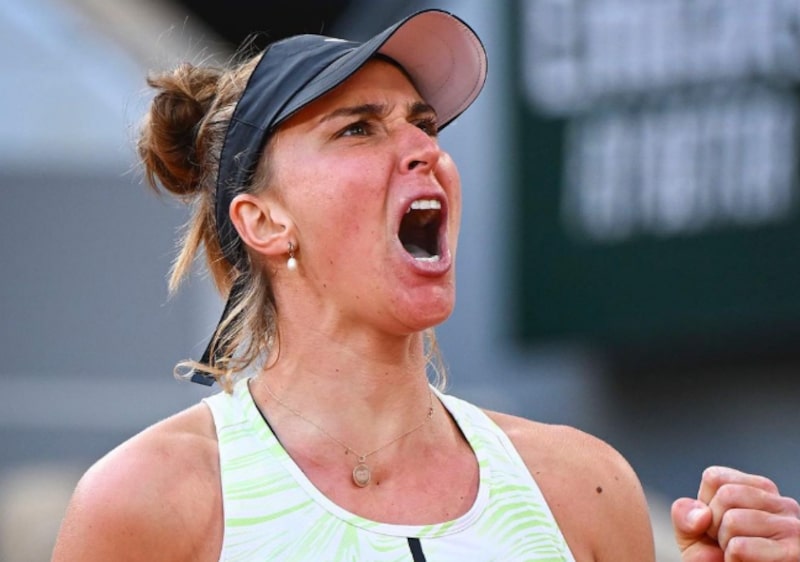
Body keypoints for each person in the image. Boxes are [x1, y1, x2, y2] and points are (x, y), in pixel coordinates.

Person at [51, 9, 798, 561]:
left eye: (425, 124)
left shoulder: (580, 487)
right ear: (264, 221)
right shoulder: (152, 501)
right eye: (358, 128)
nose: (421, 149)